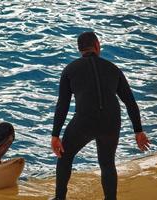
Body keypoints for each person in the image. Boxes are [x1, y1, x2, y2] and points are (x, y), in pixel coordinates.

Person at [50, 32, 150, 200]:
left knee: (65, 156)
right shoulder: (113, 68)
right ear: (97, 45)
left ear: (79, 49)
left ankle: (60, 198)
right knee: (107, 163)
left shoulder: (70, 70)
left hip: (84, 121)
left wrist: (55, 134)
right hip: (111, 121)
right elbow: (130, 102)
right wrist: (138, 131)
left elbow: (63, 104)